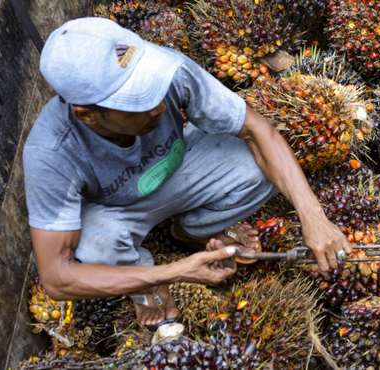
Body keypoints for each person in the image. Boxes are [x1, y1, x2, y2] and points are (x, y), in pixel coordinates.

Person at [24, 17, 352, 329]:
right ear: (87, 115)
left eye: (152, 88)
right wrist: (173, 273)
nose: (159, 108)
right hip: (114, 211)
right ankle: (142, 275)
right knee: (97, 248)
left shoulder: (171, 69)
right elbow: (57, 278)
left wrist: (314, 217)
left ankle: (193, 231)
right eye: (137, 102)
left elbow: (257, 130)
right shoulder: (51, 153)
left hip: (180, 166)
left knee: (260, 163)